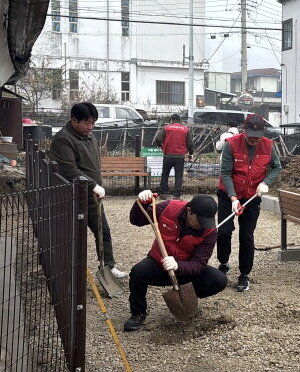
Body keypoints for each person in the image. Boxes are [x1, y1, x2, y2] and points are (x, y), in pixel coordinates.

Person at [124, 191, 227, 331]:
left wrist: (178, 265)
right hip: (159, 263)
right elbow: (137, 220)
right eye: (200, 220)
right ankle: (138, 313)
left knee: (219, 279)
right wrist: (142, 203)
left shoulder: (210, 231)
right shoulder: (169, 208)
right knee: (138, 272)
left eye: (206, 221)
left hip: (185, 270)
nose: (203, 225)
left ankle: (187, 295)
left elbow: (199, 264)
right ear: (189, 211)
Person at [50, 102, 127, 278]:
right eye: (87, 123)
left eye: (93, 123)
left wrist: (94, 187)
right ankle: (69, 270)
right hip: (72, 196)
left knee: (103, 231)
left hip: (92, 196)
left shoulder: (90, 137)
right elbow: (68, 169)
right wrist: (94, 184)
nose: (90, 127)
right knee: (74, 236)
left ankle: (109, 266)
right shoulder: (63, 139)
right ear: (74, 120)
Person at [217, 114, 282, 292]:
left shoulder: (269, 146)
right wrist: (232, 197)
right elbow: (226, 172)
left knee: (246, 236)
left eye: (257, 135)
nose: (254, 139)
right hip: (227, 195)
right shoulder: (231, 144)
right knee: (223, 231)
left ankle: (244, 274)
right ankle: (223, 263)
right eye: (251, 134)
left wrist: (265, 183)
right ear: (244, 130)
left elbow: (277, 167)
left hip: (253, 196)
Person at [154, 113, 193, 199]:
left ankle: (164, 193)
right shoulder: (185, 129)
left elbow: (158, 138)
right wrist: (191, 153)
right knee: (178, 176)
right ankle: (176, 195)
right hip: (180, 157)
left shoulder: (166, 128)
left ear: (171, 120)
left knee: (165, 175)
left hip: (168, 155)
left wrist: (160, 145)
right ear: (179, 120)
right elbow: (190, 143)